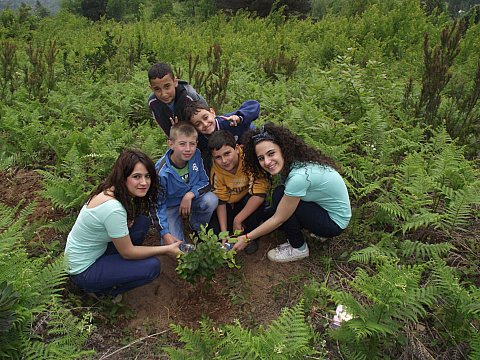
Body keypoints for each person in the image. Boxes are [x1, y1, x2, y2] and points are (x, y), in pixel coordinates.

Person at [64, 150, 181, 296]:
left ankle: (114, 271)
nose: (144, 183)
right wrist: (166, 249)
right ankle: (103, 292)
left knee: (141, 223)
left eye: (147, 176)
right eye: (136, 177)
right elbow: (128, 253)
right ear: (123, 177)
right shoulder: (113, 209)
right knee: (152, 267)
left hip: (94, 252)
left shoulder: (110, 191)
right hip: (83, 270)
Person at [232, 122, 351, 262]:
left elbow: (279, 218)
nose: (267, 162)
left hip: (334, 223)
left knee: (280, 198)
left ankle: (298, 248)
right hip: (324, 208)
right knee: (280, 195)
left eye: (271, 153)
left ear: (282, 149)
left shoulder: (299, 177)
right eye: (261, 158)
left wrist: (246, 238)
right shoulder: (296, 161)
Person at [152, 122, 218, 244]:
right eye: (182, 144)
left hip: (191, 199)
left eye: (192, 144)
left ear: (196, 144)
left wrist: (190, 195)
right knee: (174, 245)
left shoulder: (196, 155)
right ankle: (174, 226)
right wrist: (164, 232)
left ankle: (195, 226)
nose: (188, 149)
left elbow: (205, 182)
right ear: (171, 144)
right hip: (170, 207)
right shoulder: (161, 172)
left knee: (211, 200)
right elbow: (156, 205)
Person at [208, 131, 270, 254]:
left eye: (227, 154)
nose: (224, 161)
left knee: (252, 208)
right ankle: (230, 236)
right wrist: (223, 232)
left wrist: (238, 219)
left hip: (251, 199)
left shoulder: (249, 158)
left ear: (236, 149)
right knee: (214, 230)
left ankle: (251, 237)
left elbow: (260, 194)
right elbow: (221, 202)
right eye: (218, 157)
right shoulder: (216, 171)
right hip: (230, 204)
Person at [147, 62, 207, 137]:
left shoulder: (190, 97)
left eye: (167, 86)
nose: (164, 94)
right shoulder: (153, 103)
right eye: (157, 89)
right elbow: (167, 131)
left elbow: (207, 124)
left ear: (175, 82)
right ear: (151, 88)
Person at [183, 98, 260, 153]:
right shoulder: (200, 139)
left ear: (212, 112)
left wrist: (240, 118)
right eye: (198, 124)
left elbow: (254, 105)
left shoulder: (229, 121)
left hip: (250, 146)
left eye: (206, 118)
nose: (205, 124)